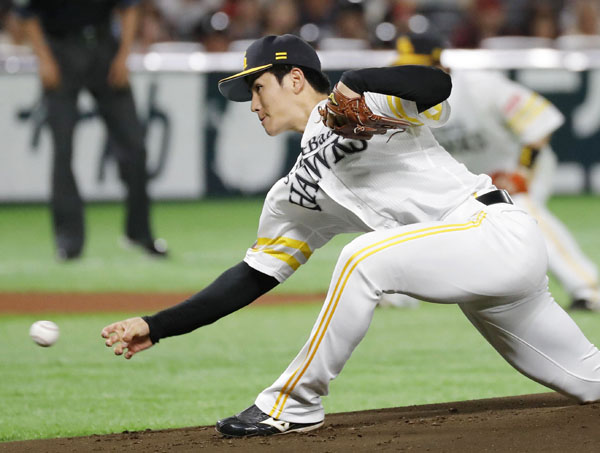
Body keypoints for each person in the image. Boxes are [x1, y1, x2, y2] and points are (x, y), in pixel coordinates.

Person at [101, 34, 600, 438]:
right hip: (474, 273)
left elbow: (437, 84)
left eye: (258, 88)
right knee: (588, 379)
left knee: (362, 258)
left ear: (295, 78)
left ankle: (293, 404)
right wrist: (157, 325)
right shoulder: (291, 193)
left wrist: (356, 83)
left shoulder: (368, 100)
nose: (252, 104)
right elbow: (253, 276)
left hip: (492, 229)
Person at [388, 30, 600, 312]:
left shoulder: (480, 86)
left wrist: (521, 173)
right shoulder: (403, 103)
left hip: (514, 168)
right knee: (412, 216)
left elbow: (541, 122)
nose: (410, 75)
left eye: (418, 66)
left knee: (521, 211)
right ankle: (395, 293)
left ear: (441, 65)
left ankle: (588, 287)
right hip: (468, 182)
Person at [14, 0, 167, 260]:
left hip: (104, 48)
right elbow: (27, 15)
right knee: (62, 150)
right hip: (60, 49)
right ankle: (68, 240)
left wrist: (123, 55)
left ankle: (139, 232)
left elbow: (129, 7)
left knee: (135, 146)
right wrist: (44, 59)